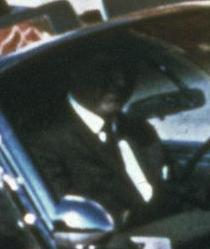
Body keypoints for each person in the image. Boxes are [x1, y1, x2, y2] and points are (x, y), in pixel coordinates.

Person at [22, 50, 168, 228]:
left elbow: (174, 190)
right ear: (74, 72)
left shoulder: (139, 130)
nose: (121, 82)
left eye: (128, 71)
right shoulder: (43, 141)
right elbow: (68, 220)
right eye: (105, 70)